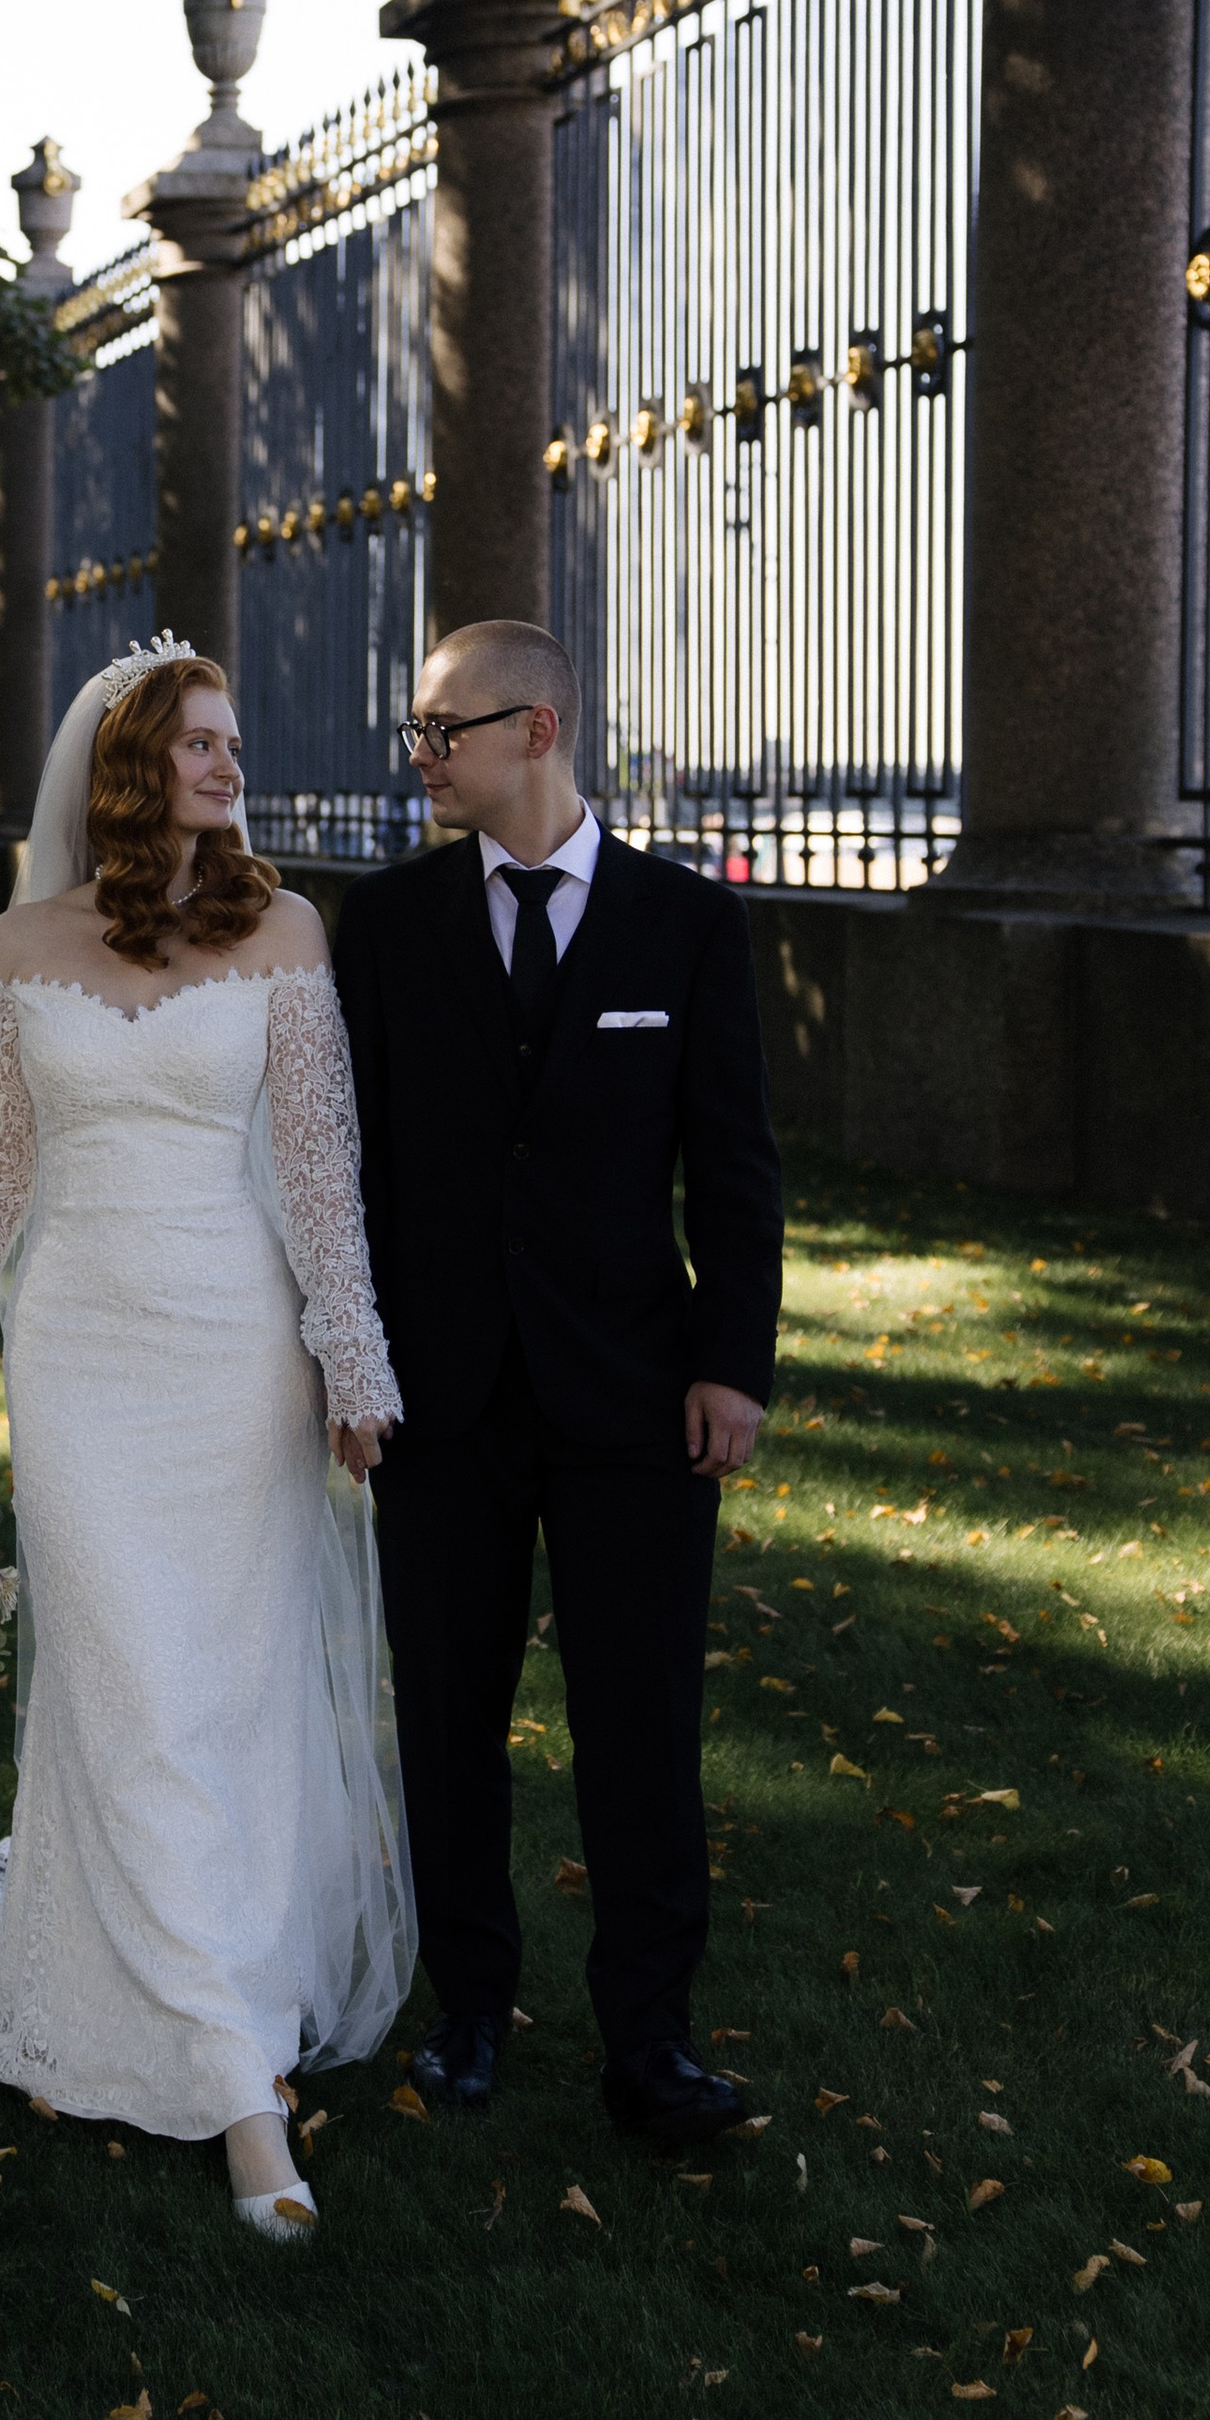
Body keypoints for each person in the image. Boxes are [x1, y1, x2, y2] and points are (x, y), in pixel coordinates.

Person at [0, 640, 414, 2236]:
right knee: (128, 1688)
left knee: (220, 1698)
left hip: (235, 1360)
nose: (231, 766)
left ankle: (202, 2002)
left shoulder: (284, 932)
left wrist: (354, 1362)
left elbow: (317, 1172)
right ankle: (242, 2096)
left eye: (234, 743)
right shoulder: (18, 948)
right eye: (201, 744)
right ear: (129, 768)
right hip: (80, 1362)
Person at [332, 617, 782, 2150]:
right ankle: (469, 2009)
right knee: (447, 1721)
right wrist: (355, 1362)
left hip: (636, 1397)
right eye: (417, 730)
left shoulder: (687, 924)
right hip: (440, 1400)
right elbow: (352, 1170)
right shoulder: (386, 925)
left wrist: (732, 1364)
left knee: (642, 1726)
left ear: (537, 729)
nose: (421, 755)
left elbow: (736, 1170)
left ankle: (651, 2039)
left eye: (442, 729)